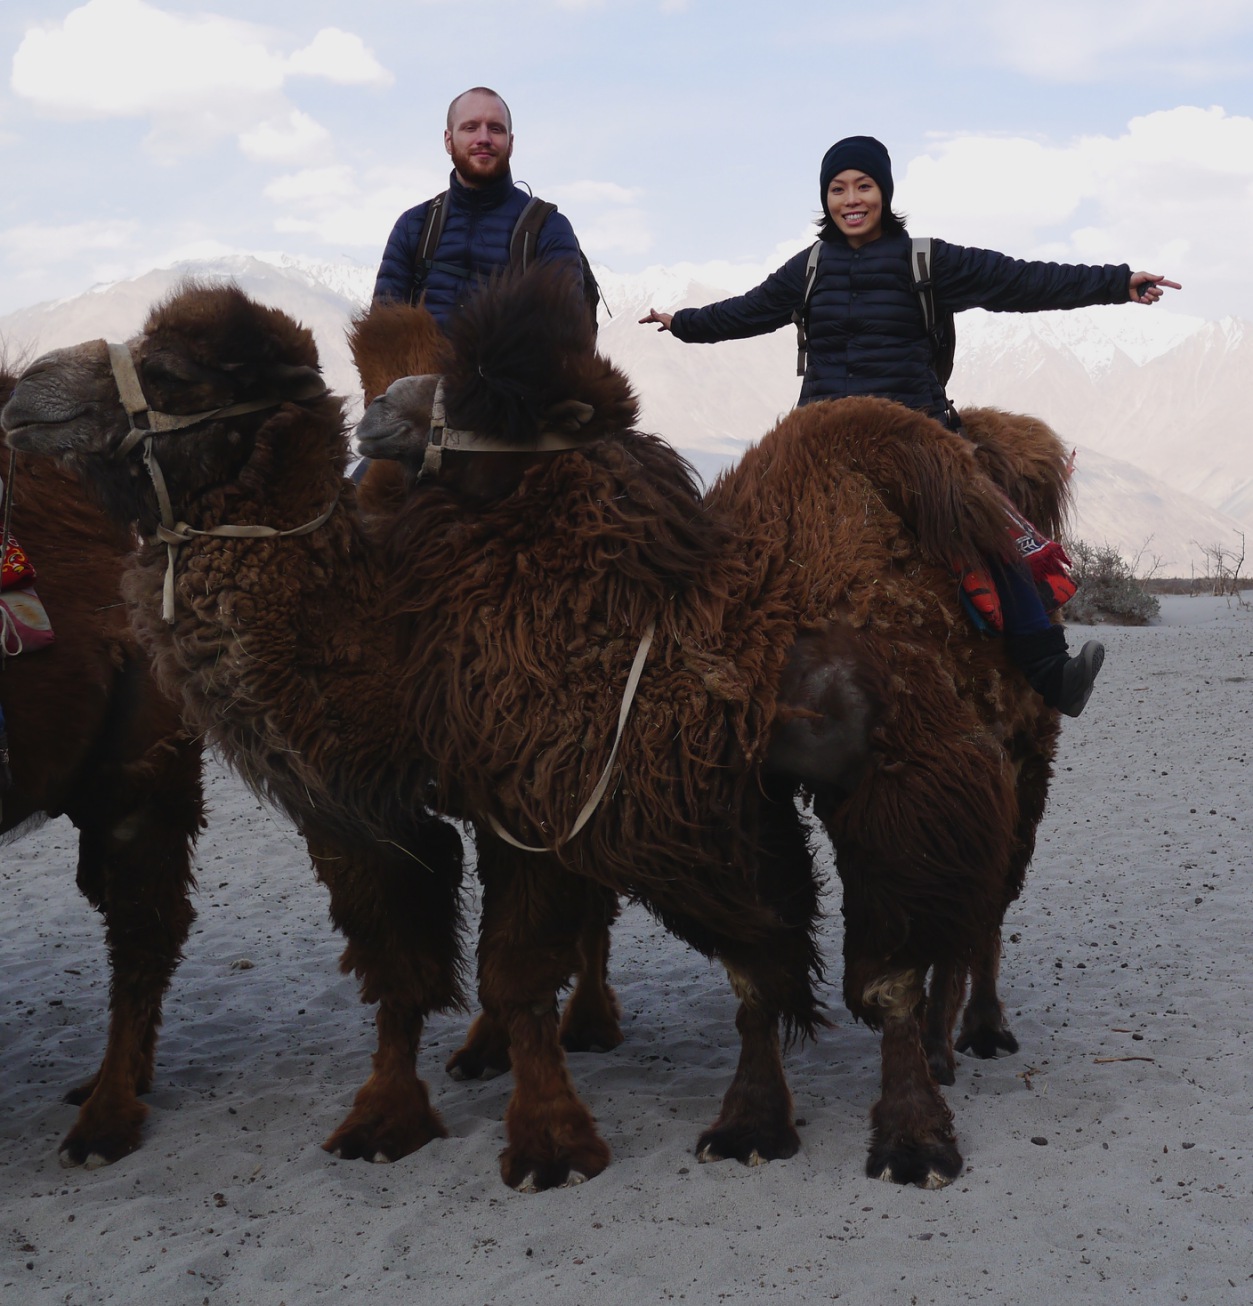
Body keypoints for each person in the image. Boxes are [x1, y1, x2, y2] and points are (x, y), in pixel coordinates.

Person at [639, 135, 1181, 717]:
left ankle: (1049, 670)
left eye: (863, 186)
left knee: (981, 526)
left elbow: (1021, 281)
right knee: (744, 540)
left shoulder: (928, 260)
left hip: (912, 435)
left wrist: (1115, 283)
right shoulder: (810, 268)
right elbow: (745, 311)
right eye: (838, 188)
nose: (851, 199)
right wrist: (684, 322)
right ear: (825, 199)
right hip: (820, 438)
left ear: (884, 192)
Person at [373, 86, 587, 325]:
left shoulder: (548, 228)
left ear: (511, 143)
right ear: (448, 140)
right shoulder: (414, 226)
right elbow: (383, 337)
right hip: (421, 364)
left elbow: (567, 338)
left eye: (495, 129)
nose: (484, 138)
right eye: (470, 127)